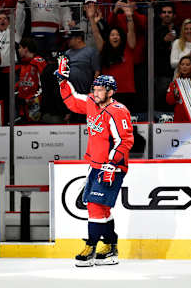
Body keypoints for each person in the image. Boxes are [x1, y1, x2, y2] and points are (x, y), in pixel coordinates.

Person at [55, 57, 134, 267]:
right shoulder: (91, 102)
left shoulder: (119, 111)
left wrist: (111, 164)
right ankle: (109, 247)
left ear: (110, 92)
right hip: (96, 165)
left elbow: (125, 141)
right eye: (95, 88)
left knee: (94, 207)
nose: (96, 92)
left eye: (100, 89)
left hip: (112, 166)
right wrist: (63, 81)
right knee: (101, 209)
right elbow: (72, 100)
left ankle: (91, 246)